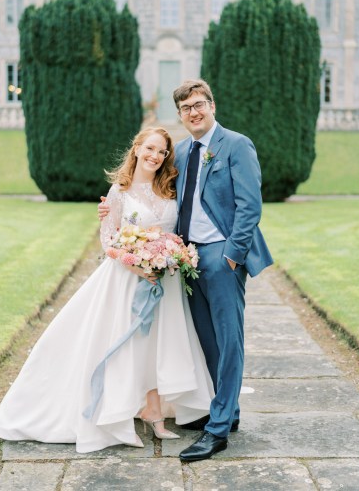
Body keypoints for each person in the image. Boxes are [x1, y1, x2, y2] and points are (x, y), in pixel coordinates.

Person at [0, 126, 214, 454]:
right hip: (126, 280)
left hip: (164, 280)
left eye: (162, 152)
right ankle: (118, 415)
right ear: (136, 149)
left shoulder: (169, 188)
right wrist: (136, 263)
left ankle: (154, 412)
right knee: (128, 344)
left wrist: (171, 256)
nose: (155, 156)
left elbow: (176, 230)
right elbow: (108, 240)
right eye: (150, 148)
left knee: (158, 344)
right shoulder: (118, 192)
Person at [98, 79, 273, 462]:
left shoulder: (236, 145)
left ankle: (218, 428)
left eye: (199, 105)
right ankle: (229, 413)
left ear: (212, 105)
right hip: (188, 258)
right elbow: (156, 196)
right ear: (180, 115)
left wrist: (232, 255)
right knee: (205, 340)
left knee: (229, 341)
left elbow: (250, 206)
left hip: (222, 255)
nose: (193, 112)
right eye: (185, 108)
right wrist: (115, 210)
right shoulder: (184, 152)